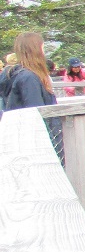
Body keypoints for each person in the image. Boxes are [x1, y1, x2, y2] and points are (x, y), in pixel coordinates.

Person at [0, 32, 63, 160]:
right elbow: (36, 112)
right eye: (42, 48)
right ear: (36, 49)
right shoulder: (29, 78)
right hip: (37, 142)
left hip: (22, 139)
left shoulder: (18, 75)